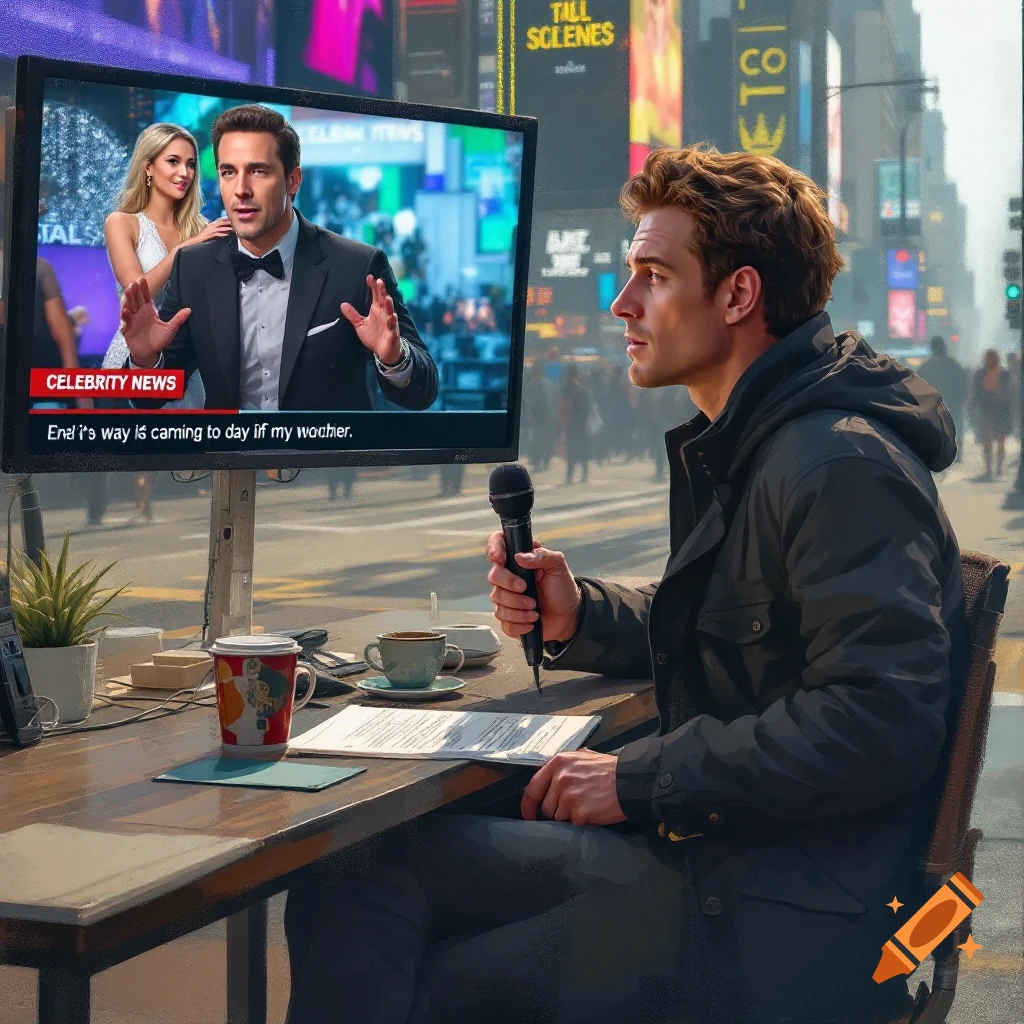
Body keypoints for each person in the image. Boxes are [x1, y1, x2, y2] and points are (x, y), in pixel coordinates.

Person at [282, 145, 967, 1024]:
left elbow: (882, 722)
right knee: (362, 864)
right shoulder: (764, 440)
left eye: (653, 274)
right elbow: (739, 630)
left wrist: (639, 779)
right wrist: (580, 614)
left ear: (738, 295)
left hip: (783, 914)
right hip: (741, 860)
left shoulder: (834, 463)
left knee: (410, 935)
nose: (621, 302)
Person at [118, 104, 438, 411]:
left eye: (258, 171)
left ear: (292, 180)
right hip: (230, 465)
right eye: (229, 172)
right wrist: (145, 360)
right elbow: (151, 398)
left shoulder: (357, 267)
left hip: (328, 466)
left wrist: (395, 358)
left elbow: (423, 392)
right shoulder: (193, 268)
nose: (241, 189)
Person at [102, 121, 232, 409]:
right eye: (173, 161)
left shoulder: (203, 228)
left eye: (190, 164)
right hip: (134, 362)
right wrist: (184, 249)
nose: (184, 173)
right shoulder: (122, 223)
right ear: (148, 167)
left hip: (186, 366)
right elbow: (137, 291)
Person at [916, 336, 967, 463]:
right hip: (952, 404)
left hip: (933, 405)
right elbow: (963, 384)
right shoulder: (953, 365)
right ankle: (954, 454)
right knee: (954, 429)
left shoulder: (926, 367)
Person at [970, 348, 1013, 480]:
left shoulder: (1004, 373)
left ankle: (999, 467)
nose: (989, 360)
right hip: (986, 410)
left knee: (1001, 440)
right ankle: (989, 468)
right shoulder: (980, 374)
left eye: (992, 357)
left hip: (1000, 410)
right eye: (988, 357)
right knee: (986, 440)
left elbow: (1008, 392)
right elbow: (976, 391)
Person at [558, 363, 592, 484]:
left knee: (571, 449)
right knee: (582, 449)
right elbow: (588, 408)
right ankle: (584, 473)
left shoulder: (564, 390)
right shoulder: (583, 390)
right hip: (581, 425)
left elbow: (561, 407)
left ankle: (569, 475)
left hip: (570, 424)